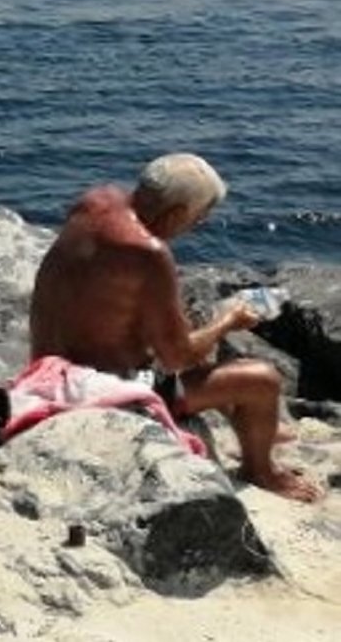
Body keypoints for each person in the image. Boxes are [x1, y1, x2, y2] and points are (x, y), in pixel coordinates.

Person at [27, 153, 322, 502]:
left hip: (45, 367)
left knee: (183, 328)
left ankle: (256, 428)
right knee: (262, 380)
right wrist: (229, 322)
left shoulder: (94, 202)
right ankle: (260, 471)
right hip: (99, 391)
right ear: (178, 214)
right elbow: (177, 357)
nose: (198, 225)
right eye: (200, 217)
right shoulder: (149, 253)